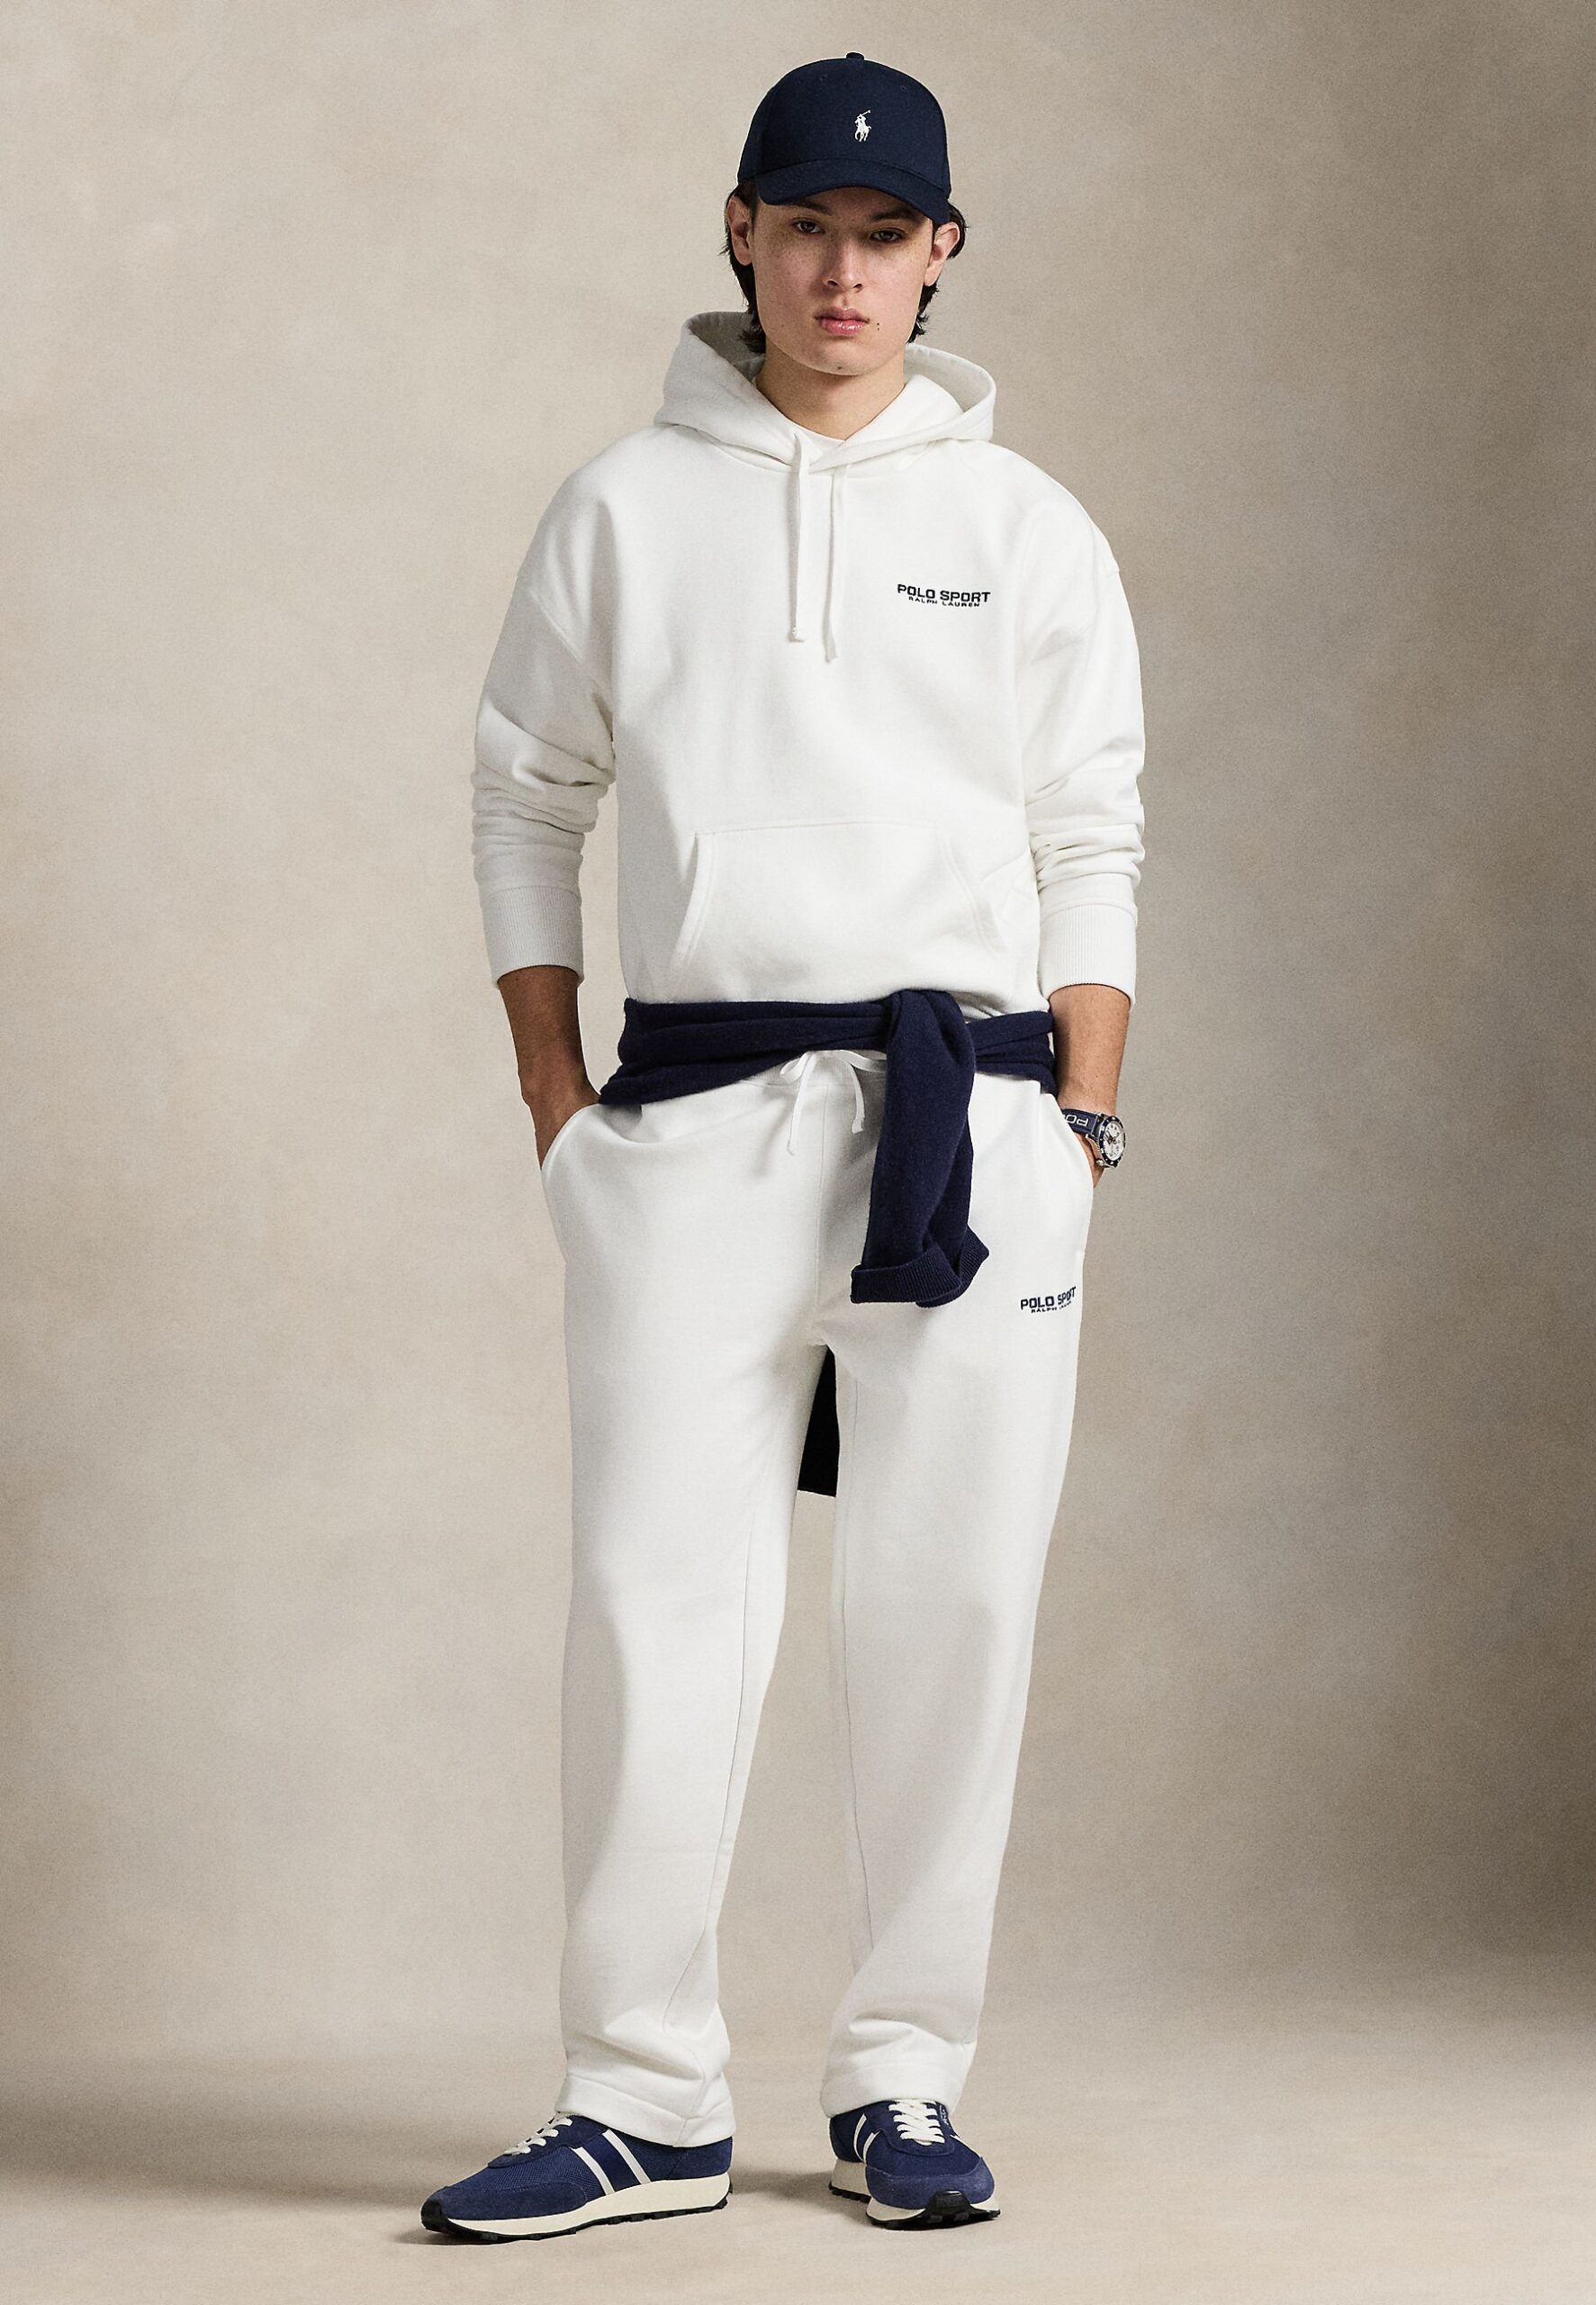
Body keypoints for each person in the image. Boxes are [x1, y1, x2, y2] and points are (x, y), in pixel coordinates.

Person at [422, 49, 1145, 2245]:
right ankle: (639, 2095)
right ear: (739, 232)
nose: (842, 271)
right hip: (694, 1121)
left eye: (883, 234)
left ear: (940, 255)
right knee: (654, 1605)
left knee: (953, 1607)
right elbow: (524, 796)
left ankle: (902, 2072)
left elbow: (1089, 831)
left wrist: (1075, 1120)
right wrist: (558, 1106)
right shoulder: (622, 507)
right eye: (804, 226)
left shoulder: (1023, 528)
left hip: (972, 1121)